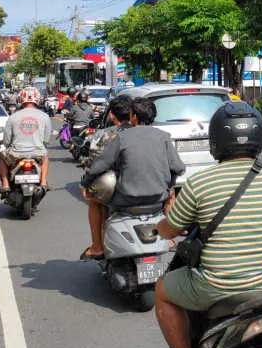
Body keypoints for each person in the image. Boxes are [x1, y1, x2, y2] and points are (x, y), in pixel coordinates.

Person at [154, 101, 262, 348]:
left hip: (216, 285)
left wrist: (160, 226)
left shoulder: (200, 183)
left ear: (215, 141)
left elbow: (171, 228)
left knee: (162, 292)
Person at [79, 96, 186, 261]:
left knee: (95, 200)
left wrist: (85, 184)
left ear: (134, 117)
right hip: (158, 200)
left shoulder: (121, 138)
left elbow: (99, 166)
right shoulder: (164, 136)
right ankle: (169, 239)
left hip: (126, 200)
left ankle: (97, 247)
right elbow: (179, 168)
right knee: (171, 194)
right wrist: (167, 184)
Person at [0, 86, 51, 195]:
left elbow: (7, 142)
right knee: (45, 157)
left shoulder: (13, 117)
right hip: (38, 153)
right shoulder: (45, 117)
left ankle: (5, 184)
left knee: (1, 156)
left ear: (21, 99)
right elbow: (46, 140)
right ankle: (43, 182)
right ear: (37, 99)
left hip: (16, 154)